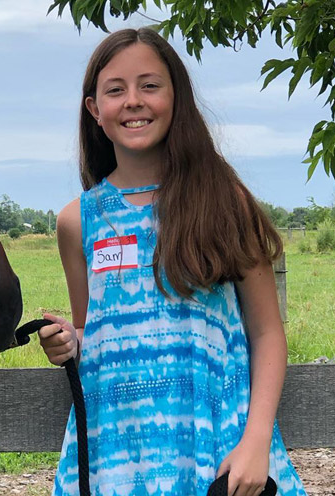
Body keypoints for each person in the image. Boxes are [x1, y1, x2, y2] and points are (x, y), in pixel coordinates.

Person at [38, 28, 308, 496]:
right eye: (115, 90)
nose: (133, 101)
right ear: (94, 110)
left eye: (150, 85)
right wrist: (68, 342)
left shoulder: (225, 204)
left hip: (219, 447)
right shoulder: (77, 222)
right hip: (115, 456)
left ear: (175, 96)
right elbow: (93, 332)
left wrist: (256, 441)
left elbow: (267, 332)